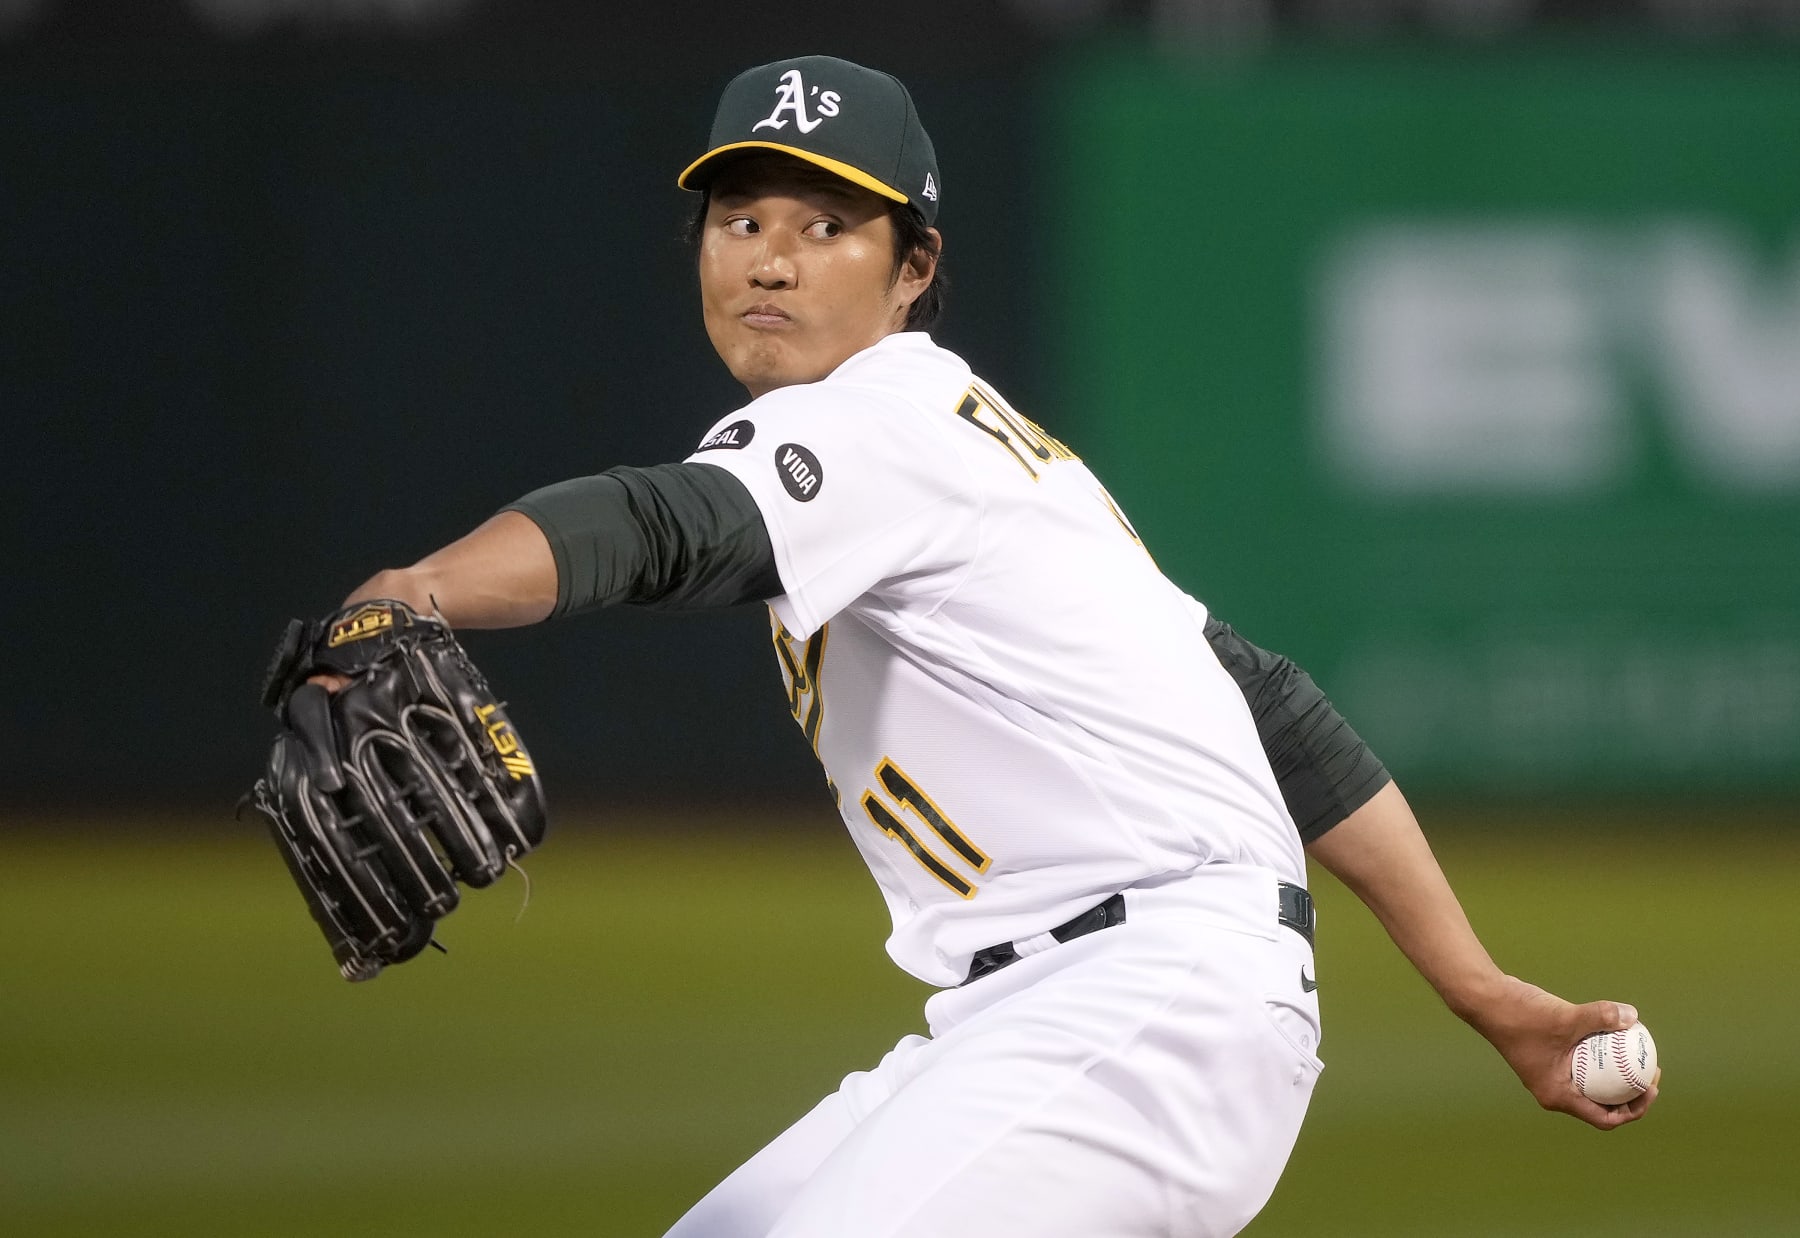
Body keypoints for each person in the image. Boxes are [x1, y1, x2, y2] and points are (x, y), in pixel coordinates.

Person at [322, 55, 1656, 1238]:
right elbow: (1273, 709)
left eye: (828, 224)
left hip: (1145, 1002)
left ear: (916, 270)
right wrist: (1482, 990)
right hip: (1055, 1010)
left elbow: (667, 523)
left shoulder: (880, 414)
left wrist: (423, 585)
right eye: (740, 220)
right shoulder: (986, 448)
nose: (769, 260)